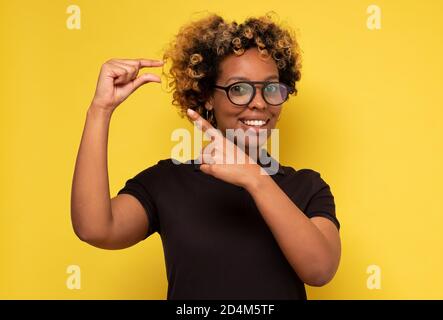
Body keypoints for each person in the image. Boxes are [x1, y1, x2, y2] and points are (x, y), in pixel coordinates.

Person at [71, 12, 341, 300]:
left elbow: (320, 270)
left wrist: (255, 178)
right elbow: (95, 228)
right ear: (208, 96)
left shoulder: (307, 187)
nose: (260, 103)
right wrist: (100, 111)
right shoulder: (167, 182)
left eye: (271, 88)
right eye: (239, 89)